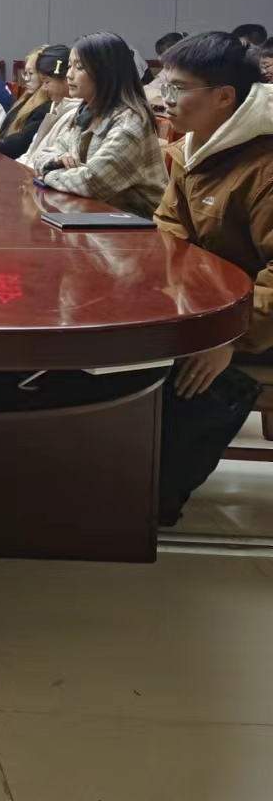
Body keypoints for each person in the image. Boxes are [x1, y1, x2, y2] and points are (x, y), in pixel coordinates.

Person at [152, 32, 272, 524]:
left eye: (178, 88)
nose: (165, 98)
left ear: (224, 96)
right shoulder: (195, 148)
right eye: (164, 84)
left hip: (254, 323)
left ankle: (152, 498)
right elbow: (169, 227)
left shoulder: (263, 166)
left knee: (180, 375)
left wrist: (229, 335)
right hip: (214, 310)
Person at [28, 32, 167, 217]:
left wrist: (47, 173)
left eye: (79, 67)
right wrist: (56, 161)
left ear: (105, 72)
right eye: (69, 66)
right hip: (95, 217)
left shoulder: (130, 123)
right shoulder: (87, 112)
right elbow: (42, 155)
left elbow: (91, 183)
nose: (69, 75)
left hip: (136, 226)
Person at [19, 45, 80, 171]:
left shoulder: (76, 114)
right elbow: (32, 153)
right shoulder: (56, 106)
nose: (44, 88)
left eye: (47, 82)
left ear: (65, 79)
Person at [0, 46, 51, 159]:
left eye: (31, 73)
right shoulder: (26, 98)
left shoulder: (46, 107)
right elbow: (2, 132)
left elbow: (22, 141)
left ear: (44, 76)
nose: (26, 79)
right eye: (25, 73)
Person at [145, 32, 187, 109]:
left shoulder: (192, 72)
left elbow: (175, 97)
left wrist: (161, 94)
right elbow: (146, 89)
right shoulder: (168, 69)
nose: (160, 60)